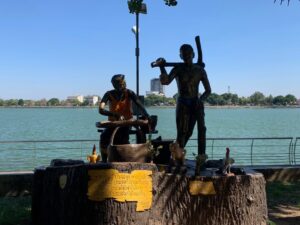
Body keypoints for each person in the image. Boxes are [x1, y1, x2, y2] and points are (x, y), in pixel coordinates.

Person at [156, 44, 211, 156]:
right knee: (183, 132)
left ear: (193, 54)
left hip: (196, 103)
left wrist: (201, 100)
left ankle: (197, 156)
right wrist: (162, 67)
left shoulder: (200, 70)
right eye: (183, 54)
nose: (186, 56)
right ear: (181, 56)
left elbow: (208, 90)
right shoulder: (178, 69)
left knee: (196, 130)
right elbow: (165, 81)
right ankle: (176, 155)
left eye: (188, 54)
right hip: (183, 104)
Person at [99, 74, 150, 162]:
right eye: (115, 84)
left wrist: (147, 115)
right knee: (103, 137)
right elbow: (101, 109)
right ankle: (104, 160)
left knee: (122, 137)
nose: (118, 86)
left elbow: (140, 105)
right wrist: (115, 114)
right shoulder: (108, 94)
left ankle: (127, 158)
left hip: (127, 122)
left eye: (120, 84)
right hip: (113, 123)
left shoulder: (129, 93)